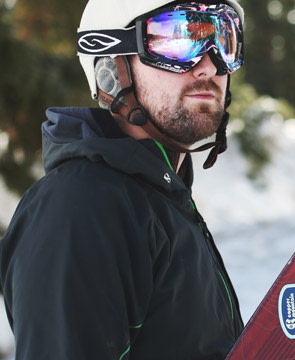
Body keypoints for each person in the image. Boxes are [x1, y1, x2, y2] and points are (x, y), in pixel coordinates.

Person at [0, 1, 246, 358]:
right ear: (110, 69)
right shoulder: (81, 207)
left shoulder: (159, 198)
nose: (209, 64)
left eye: (223, 40)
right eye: (178, 38)